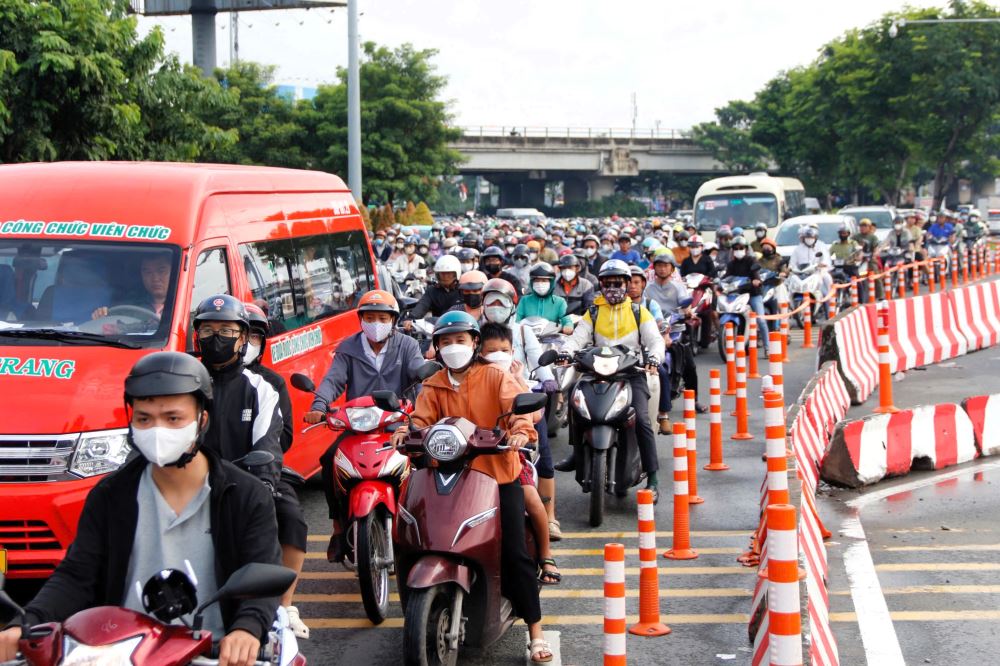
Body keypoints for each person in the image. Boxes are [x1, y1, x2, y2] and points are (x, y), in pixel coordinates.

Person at [0, 352, 283, 666]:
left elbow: (260, 572)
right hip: (118, 653)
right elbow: (77, 576)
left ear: (202, 419)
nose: (157, 430)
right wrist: (26, 622)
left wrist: (246, 628)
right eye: (144, 418)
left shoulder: (245, 495)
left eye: (173, 418)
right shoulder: (111, 495)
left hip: (211, 655)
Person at [389, 312, 553, 663]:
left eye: (460, 340)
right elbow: (420, 418)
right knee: (419, 532)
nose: (453, 347)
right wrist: (408, 431)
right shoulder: (434, 384)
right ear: (436, 348)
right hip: (446, 474)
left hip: (496, 476)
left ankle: (535, 630)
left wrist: (520, 431)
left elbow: (517, 410)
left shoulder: (495, 376)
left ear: (475, 343)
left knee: (513, 552)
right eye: (445, 342)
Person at [191, 295, 309, 638]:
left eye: (227, 330)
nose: (217, 337)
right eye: (208, 329)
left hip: (247, 480)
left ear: (243, 338)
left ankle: (284, 605)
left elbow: (269, 443)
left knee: (290, 516)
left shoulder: (261, 387)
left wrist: (261, 488)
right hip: (188, 483)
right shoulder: (185, 378)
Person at [304, 290, 426, 562]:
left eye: (382, 317)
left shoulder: (407, 345)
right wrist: (319, 406)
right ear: (360, 319)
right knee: (329, 460)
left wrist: (426, 372)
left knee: (425, 460)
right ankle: (338, 528)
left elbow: (418, 368)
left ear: (393, 320)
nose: (376, 323)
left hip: (399, 423)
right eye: (370, 317)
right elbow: (332, 380)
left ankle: (425, 526)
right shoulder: (348, 348)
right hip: (358, 425)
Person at [555, 260, 665, 502]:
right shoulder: (593, 312)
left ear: (627, 285)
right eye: (607, 283)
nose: (613, 288)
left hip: (631, 373)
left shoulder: (639, 312)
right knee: (576, 402)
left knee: (643, 420)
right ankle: (576, 453)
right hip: (596, 372)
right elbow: (577, 338)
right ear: (601, 286)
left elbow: (655, 341)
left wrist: (655, 357)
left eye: (618, 283)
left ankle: (654, 479)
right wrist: (566, 351)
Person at [480, 322, 561, 585]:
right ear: (479, 352)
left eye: (504, 349)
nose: (498, 355)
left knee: (532, 500)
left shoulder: (517, 379)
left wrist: (517, 379)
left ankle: (546, 555)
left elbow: (534, 415)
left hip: (510, 457)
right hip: (472, 459)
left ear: (512, 351)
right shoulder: (473, 378)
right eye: (492, 350)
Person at [482, 278, 561, 540]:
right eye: (489, 301)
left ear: (512, 304)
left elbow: (538, 358)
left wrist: (547, 378)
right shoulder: (476, 331)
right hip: (486, 400)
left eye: (500, 302)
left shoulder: (523, 330)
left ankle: (549, 517)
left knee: (544, 457)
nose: (494, 307)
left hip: (523, 396)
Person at [644, 254, 705, 430]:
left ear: (672, 269)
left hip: (675, 331)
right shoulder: (648, 289)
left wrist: (687, 312)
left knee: (690, 367)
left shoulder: (678, 288)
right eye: (659, 265)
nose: (662, 268)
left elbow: (686, 305)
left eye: (666, 265)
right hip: (652, 332)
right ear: (654, 268)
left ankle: (694, 400)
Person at [243, 303, 293, 454]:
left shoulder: (272, 383)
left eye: (254, 336)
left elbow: (285, 439)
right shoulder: (204, 379)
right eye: (241, 335)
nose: (246, 343)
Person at [91, 252, 172, 320]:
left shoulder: (182, 307)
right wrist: (101, 316)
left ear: (173, 272)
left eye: (161, 271)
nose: (155, 278)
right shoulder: (129, 305)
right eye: (148, 272)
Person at [725, 237, 769, 342]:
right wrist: (720, 283)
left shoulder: (751, 260)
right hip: (738, 295)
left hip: (753, 294)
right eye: (736, 248)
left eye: (741, 248)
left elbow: (756, 273)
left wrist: (756, 280)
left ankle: (767, 347)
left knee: (761, 320)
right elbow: (727, 277)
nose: (738, 250)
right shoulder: (731, 264)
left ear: (746, 249)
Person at [517, 262, 573, 334]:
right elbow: (516, 320)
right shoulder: (524, 300)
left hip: (551, 339)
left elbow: (567, 320)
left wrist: (568, 326)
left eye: (544, 280)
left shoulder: (560, 302)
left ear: (551, 282)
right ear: (531, 282)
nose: (540, 284)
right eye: (537, 280)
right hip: (527, 337)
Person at [405, 254, 463, 323]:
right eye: (442, 274)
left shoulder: (463, 290)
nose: (445, 277)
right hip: (438, 328)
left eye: (448, 273)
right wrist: (410, 319)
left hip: (461, 326)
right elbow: (422, 305)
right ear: (437, 275)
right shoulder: (432, 291)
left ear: (456, 274)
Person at [851, 219, 882, 300]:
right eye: (861, 226)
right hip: (857, 259)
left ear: (869, 227)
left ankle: (880, 294)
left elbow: (876, 247)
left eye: (865, 226)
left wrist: (875, 253)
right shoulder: (855, 237)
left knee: (875, 273)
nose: (863, 228)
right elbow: (850, 246)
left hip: (869, 258)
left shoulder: (873, 237)